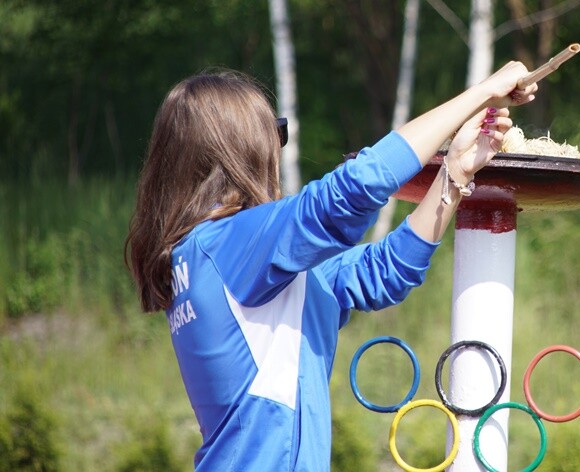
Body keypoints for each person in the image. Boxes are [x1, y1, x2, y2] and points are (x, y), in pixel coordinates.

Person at [124, 62, 537, 471]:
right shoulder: (226, 246)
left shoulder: (220, 258)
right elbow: (357, 187)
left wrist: (454, 171)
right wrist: (480, 93)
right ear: (244, 150)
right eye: (275, 134)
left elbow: (386, 271)